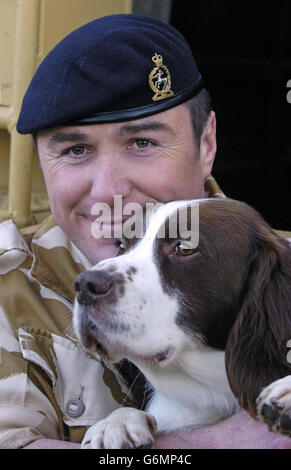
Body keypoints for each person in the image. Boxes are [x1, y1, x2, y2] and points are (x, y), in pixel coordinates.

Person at [0, 14, 290, 449]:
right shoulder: (9, 290)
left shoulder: (274, 264)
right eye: (76, 150)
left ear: (206, 144)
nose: (108, 192)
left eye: (142, 143)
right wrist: (235, 440)